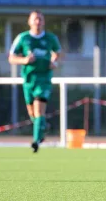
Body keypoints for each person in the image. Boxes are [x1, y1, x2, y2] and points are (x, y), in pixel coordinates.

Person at [8, 10, 62, 153]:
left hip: (43, 79)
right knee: (32, 113)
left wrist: (54, 61)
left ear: (43, 22)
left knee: (39, 110)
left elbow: (58, 53)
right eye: (35, 19)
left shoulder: (50, 38)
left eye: (40, 19)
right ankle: (42, 127)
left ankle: (36, 141)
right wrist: (25, 60)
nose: (38, 22)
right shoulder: (23, 38)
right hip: (28, 79)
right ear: (29, 21)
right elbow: (11, 57)